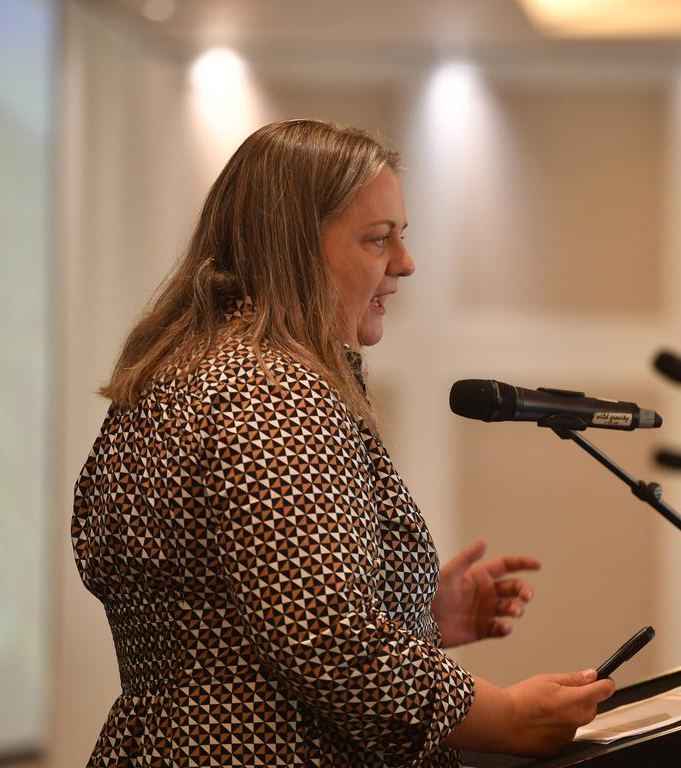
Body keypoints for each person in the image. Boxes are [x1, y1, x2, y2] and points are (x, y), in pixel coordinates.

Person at [72, 118, 614, 767]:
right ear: (293, 248)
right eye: (377, 239)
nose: (405, 263)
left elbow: (233, 609)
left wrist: (410, 610)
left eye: (401, 238)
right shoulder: (272, 392)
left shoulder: (170, 377)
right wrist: (506, 718)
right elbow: (324, 638)